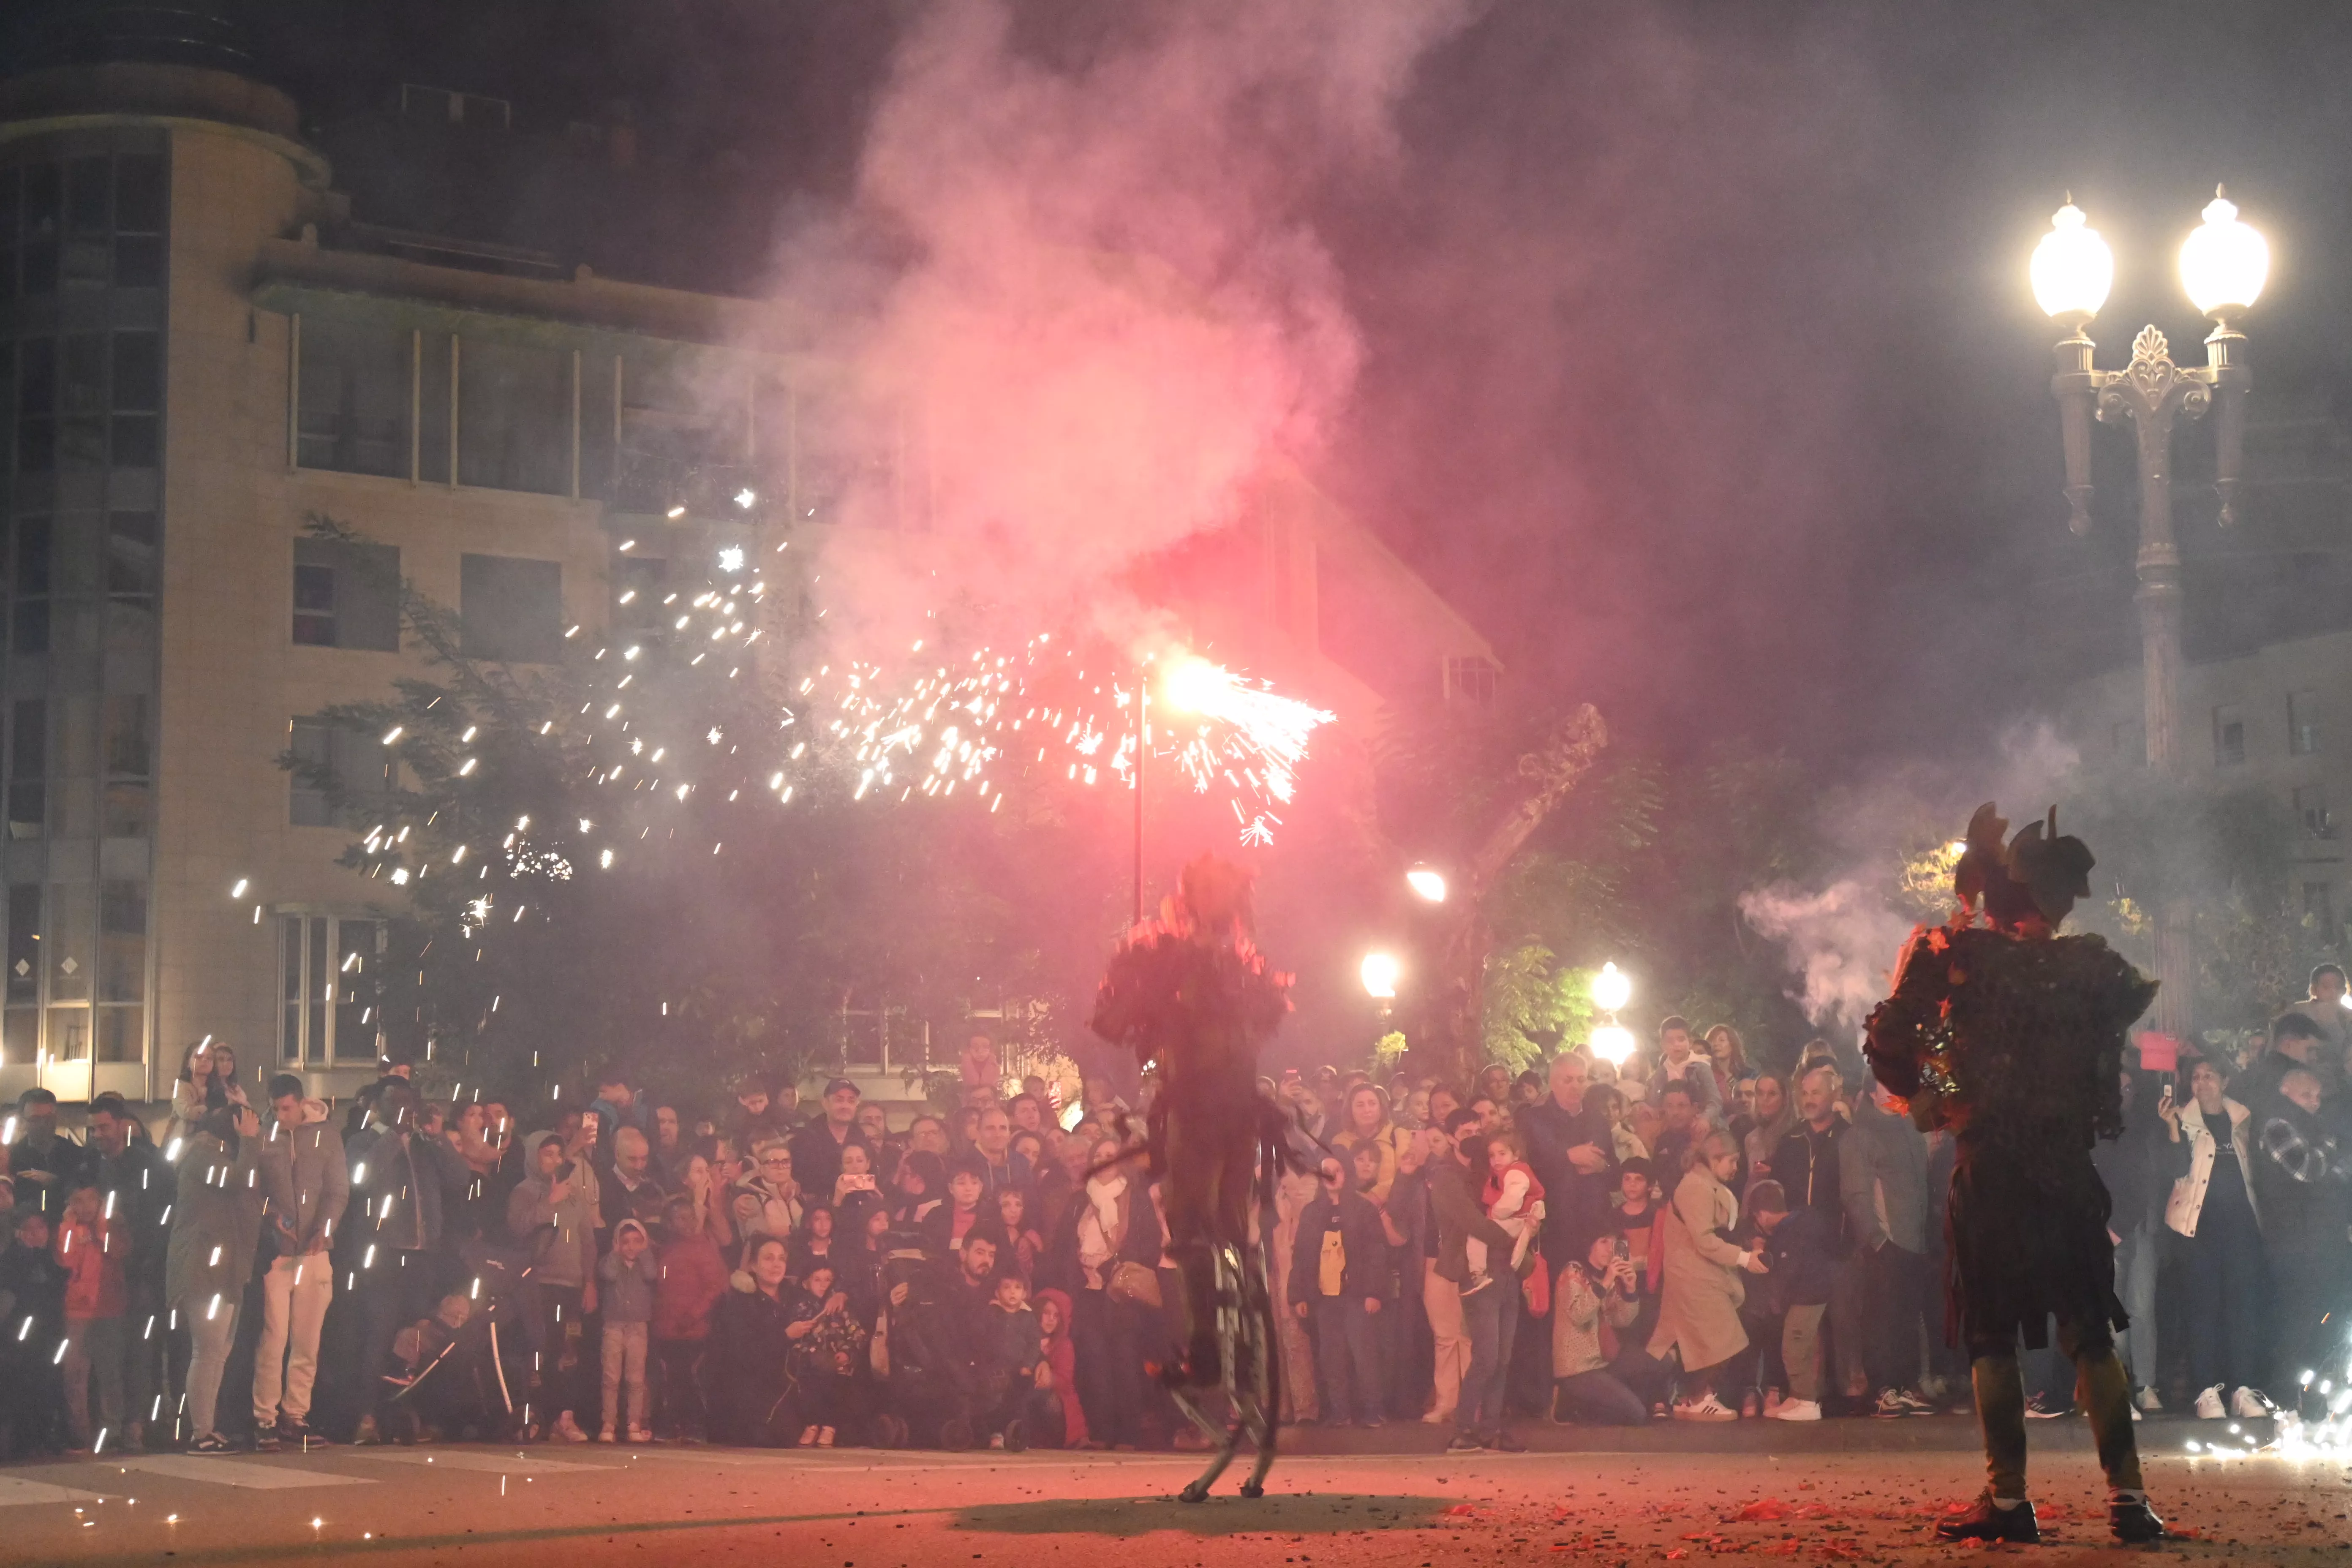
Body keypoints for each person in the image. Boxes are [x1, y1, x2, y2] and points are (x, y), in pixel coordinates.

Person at [1865, 803, 2165, 1544]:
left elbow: (1887, 1034)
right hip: (2065, 1172)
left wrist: (1926, 1092)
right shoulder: (2093, 967)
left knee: (1991, 1335)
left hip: (1993, 1169)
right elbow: (2128, 1002)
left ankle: (2007, 1502)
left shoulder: (1957, 954)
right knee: (2090, 1334)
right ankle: (2129, 1500)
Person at [2160, 1055, 2270, 1419]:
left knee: (2243, 1307)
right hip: (2199, 1226)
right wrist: (2174, 1132)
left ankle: (2242, 1388)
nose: (2203, 1083)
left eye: (2210, 1076)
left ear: (2224, 1081)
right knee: (2203, 1307)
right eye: (2196, 1077)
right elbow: (2174, 1175)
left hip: (2241, 1223)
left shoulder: (2243, 1118)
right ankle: (2206, 1391)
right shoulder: (2182, 1119)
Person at [253, 1073, 347, 1451]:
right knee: (273, 1337)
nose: (280, 1116)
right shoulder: (264, 1136)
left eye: (286, 1108)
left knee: (307, 1338)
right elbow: (252, 1187)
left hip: (314, 1252)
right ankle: (265, 1418)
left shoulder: (328, 1135)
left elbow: (338, 1189)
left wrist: (325, 1229)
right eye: (275, 1109)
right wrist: (271, 1213)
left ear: (302, 1102)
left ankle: (296, 1414)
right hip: (279, 1253)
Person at [166, 1103, 264, 1454]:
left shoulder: (219, 1153)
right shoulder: (204, 1155)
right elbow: (240, 1181)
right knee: (206, 1352)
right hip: (204, 1267)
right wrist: (251, 1142)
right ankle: (200, 1433)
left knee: (218, 1353)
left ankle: (206, 1428)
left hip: (224, 1267)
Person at [1648, 1130, 1764, 1421]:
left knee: (1708, 1343)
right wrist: (1745, 1258)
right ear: (1714, 1158)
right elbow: (1705, 1241)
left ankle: (1691, 1398)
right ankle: (1698, 1398)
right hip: (1694, 1277)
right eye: (1732, 1161)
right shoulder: (1696, 1187)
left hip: (1703, 1275)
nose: (1736, 1168)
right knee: (1724, 1341)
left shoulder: (1705, 1184)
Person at [2251, 1066, 2346, 1414]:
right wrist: (2331, 1150)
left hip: (2317, 1241)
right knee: (2298, 1320)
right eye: (2307, 1095)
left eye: (2318, 1096)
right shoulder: (2278, 1124)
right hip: (2292, 1242)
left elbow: (2337, 1176)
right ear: (2286, 1091)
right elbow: (2308, 1169)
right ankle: (2286, 1396)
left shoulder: (2313, 1127)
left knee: (2322, 1320)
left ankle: (2309, 1396)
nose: (2315, 1102)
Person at [1843, 1071, 1935, 1418]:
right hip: (1887, 1243)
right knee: (1882, 1318)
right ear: (1871, 1090)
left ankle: (1902, 1385)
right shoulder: (1860, 1135)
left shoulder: (1910, 1127)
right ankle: (1883, 1390)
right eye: (1889, 1084)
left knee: (1907, 1318)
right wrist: (1877, 1240)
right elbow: (1855, 1193)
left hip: (1915, 1242)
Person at [83, 1093, 170, 1452]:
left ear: (122, 1125)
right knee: (107, 1354)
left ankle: (136, 1424)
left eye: (104, 1127)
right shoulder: (90, 1166)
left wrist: (144, 1260)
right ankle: (113, 1423)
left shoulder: (148, 1167)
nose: (98, 1135)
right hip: (102, 1276)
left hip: (139, 1274)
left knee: (140, 1351)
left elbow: (162, 1220)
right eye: (93, 1129)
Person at [1435, 1117, 1522, 1455]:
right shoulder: (1446, 1177)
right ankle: (1464, 1429)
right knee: (1486, 1356)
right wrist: (1514, 1239)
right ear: (1452, 1139)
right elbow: (1472, 1221)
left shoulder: (1494, 1174)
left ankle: (1490, 1428)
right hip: (1477, 1273)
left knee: (1501, 1357)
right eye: (1465, 1133)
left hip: (1504, 1270)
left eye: (1477, 1132)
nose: (1473, 1139)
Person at [507, 1129, 601, 1443]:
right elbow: (518, 1229)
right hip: (539, 1284)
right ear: (534, 1157)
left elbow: (588, 1243)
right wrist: (550, 1201)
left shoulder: (575, 1194)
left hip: (571, 1286)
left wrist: (589, 1282)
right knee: (538, 1351)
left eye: (559, 1155)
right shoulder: (524, 1192)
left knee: (568, 1351)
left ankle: (564, 1416)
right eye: (547, 1154)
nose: (555, 1160)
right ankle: (535, 1417)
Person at [1290, 1152, 1389, 1428]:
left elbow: (1377, 1254)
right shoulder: (1312, 1212)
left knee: (1364, 1354)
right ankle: (1340, 1412)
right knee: (1331, 1357)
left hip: (1356, 1295)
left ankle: (1373, 1410)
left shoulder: (1363, 1209)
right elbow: (1301, 1255)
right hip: (1324, 1297)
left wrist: (1374, 1292)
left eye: (1338, 1170)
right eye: (1326, 1171)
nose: (1332, 1176)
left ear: (1347, 1174)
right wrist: (1298, 1295)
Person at [1745, 1179, 1838, 1421]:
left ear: (1762, 1214)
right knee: (1800, 1344)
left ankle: (1807, 1402)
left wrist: (1778, 1298)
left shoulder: (1790, 1231)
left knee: (1795, 1347)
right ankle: (1796, 1398)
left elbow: (1788, 1270)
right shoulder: (1806, 1219)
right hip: (1816, 1292)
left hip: (1807, 1297)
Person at [1519, 1051, 1617, 1267]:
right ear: (1553, 1083)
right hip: (1554, 1227)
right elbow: (1526, 1172)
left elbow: (1616, 1175)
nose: (1576, 1086)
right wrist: (1568, 1156)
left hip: (1595, 1225)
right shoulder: (1533, 1121)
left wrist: (1603, 1166)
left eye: (1581, 1080)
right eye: (1568, 1080)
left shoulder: (1597, 1120)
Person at [53, 1181, 126, 1452]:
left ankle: (112, 1432)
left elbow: (117, 1250)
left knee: (110, 1372)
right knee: (75, 1373)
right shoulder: (68, 1230)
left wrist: (103, 1226)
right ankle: (81, 1434)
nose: (85, 1207)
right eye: (78, 1201)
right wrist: (70, 1228)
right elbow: (65, 1259)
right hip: (77, 1310)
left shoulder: (113, 1226)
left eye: (90, 1201)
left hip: (110, 1308)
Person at [710, 1235, 798, 1446]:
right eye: (769, 1258)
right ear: (753, 1265)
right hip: (753, 1393)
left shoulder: (795, 1298)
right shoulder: (740, 1304)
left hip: (789, 1388)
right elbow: (743, 1354)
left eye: (781, 1259)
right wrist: (785, 1336)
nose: (776, 1264)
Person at [1552, 1235, 1646, 1425]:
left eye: (1614, 1242)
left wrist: (1630, 1290)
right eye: (1604, 1242)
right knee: (1637, 1414)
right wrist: (1605, 1283)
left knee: (1660, 1364)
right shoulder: (1573, 1271)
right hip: (1578, 1369)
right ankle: (1569, 1402)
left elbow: (1622, 1321)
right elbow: (1579, 1314)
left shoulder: (1606, 1275)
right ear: (1590, 1244)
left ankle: (1597, 1401)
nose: (1610, 1248)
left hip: (1604, 1361)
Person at [0, 1206, 66, 1458]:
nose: (36, 1234)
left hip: (50, 1332)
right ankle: (24, 1438)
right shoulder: (12, 1258)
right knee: (23, 1383)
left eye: (41, 1228)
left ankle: (45, 1434)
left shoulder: (51, 1258)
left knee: (48, 1382)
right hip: (21, 1334)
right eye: (29, 1229)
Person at [785, 1262, 867, 1447]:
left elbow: (859, 1334)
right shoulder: (800, 1309)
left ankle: (830, 1427)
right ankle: (812, 1425)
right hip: (812, 1365)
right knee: (810, 1390)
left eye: (828, 1280)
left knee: (837, 1389)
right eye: (817, 1280)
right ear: (806, 1283)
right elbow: (795, 1339)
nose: (823, 1284)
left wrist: (847, 1352)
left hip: (837, 1365)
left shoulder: (842, 1309)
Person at [598, 1218, 659, 1442]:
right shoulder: (610, 1261)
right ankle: (609, 1424)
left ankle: (634, 1423)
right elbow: (608, 1275)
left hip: (638, 1326)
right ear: (617, 1243)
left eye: (637, 1241)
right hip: (613, 1324)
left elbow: (652, 1274)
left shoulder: (646, 1262)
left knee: (636, 1378)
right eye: (625, 1242)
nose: (631, 1247)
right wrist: (615, 1254)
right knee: (611, 1377)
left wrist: (645, 1252)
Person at [9, 1087, 90, 1219]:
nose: (43, 1125)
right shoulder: (13, 1157)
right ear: (23, 1121)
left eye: (48, 1118)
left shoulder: (75, 1154)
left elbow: (86, 1195)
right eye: (36, 1119)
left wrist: (56, 1183)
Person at [790, 1080, 872, 1202]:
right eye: (839, 1100)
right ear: (825, 1103)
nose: (845, 1106)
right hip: (818, 1213)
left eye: (851, 1101)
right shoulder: (805, 1139)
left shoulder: (863, 1139)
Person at [1653, 1018, 1723, 1118]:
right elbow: (1654, 1102)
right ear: (1663, 1045)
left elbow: (1715, 1100)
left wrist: (1706, 1119)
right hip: (1671, 1121)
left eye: (1681, 1040)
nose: (1676, 1045)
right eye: (1670, 1041)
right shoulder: (1662, 1071)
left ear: (1690, 1042)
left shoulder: (1701, 1067)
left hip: (1699, 1119)